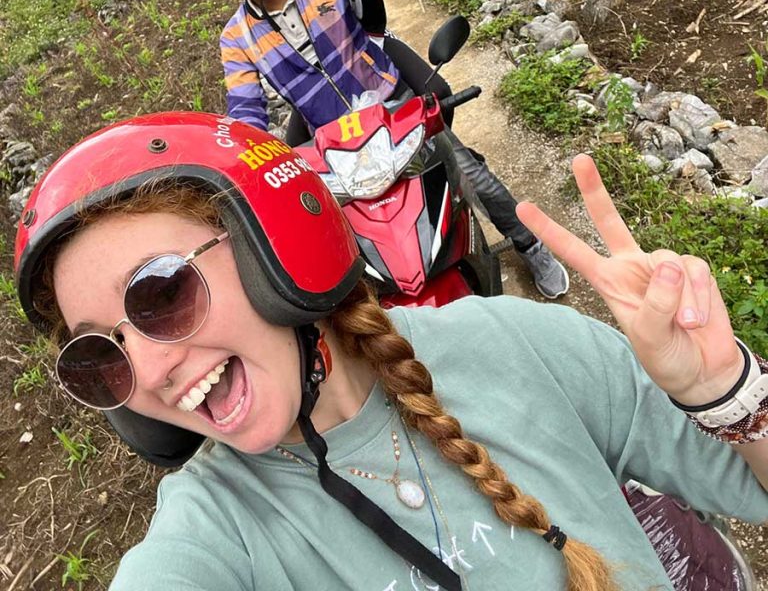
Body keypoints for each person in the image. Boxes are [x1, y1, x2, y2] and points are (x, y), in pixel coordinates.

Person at [14, 113, 768, 591]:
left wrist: (725, 391)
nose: (146, 370)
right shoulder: (217, 527)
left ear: (273, 250)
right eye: (99, 355)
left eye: (161, 295)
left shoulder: (517, 344)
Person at [204, 0, 569, 298]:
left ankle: (529, 244)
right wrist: (238, 164)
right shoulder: (236, 37)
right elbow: (246, 111)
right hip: (334, 142)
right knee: (339, 239)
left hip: (393, 106)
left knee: (468, 175)